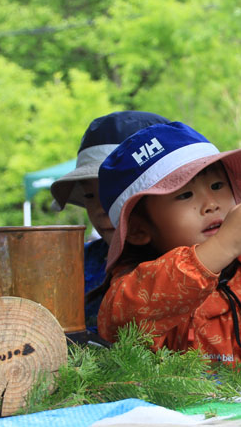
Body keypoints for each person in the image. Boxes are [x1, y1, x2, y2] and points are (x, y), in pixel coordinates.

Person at [95, 121, 241, 376]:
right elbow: (123, 318)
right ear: (138, 229)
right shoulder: (128, 291)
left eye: (217, 186)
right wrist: (225, 243)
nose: (211, 204)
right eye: (185, 195)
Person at [50, 110, 170, 335]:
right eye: (89, 195)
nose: (101, 208)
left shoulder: (203, 268)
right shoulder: (70, 265)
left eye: (119, 193)